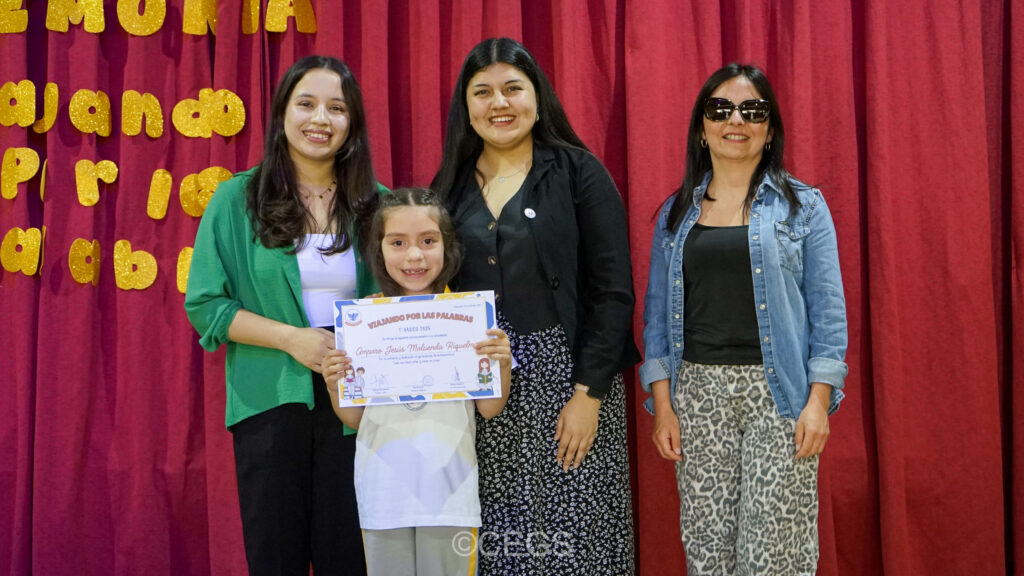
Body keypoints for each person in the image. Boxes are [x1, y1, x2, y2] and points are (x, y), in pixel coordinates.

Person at [431, 37, 638, 575]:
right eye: (482, 92)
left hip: (571, 381)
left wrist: (588, 394)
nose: (499, 103)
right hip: (488, 387)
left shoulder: (578, 172)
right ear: (466, 108)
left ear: (537, 97)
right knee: (505, 542)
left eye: (512, 88)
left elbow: (613, 291)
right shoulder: (448, 188)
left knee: (579, 541)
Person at [640, 63, 848, 575]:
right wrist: (663, 407)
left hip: (779, 397)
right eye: (720, 109)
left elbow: (829, 314)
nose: (736, 120)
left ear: (770, 130)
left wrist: (818, 403)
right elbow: (657, 320)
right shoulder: (674, 215)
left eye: (753, 110)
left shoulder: (805, 208)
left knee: (773, 557)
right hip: (698, 397)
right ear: (702, 128)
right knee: (707, 554)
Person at [184, 55, 383, 575]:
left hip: (357, 403)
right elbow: (206, 305)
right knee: (276, 556)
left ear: (352, 122)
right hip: (269, 401)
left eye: (337, 108)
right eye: (306, 104)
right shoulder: (237, 198)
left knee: (351, 556)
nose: (320, 119)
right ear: (282, 113)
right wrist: (292, 339)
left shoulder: (378, 204)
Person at [320, 188, 512, 576]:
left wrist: (502, 364)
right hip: (383, 497)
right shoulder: (362, 322)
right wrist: (333, 382)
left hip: (450, 497)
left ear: (447, 246)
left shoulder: (472, 318)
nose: (414, 256)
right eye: (398, 242)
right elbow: (354, 419)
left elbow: (490, 408)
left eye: (428, 241)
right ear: (378, 250)